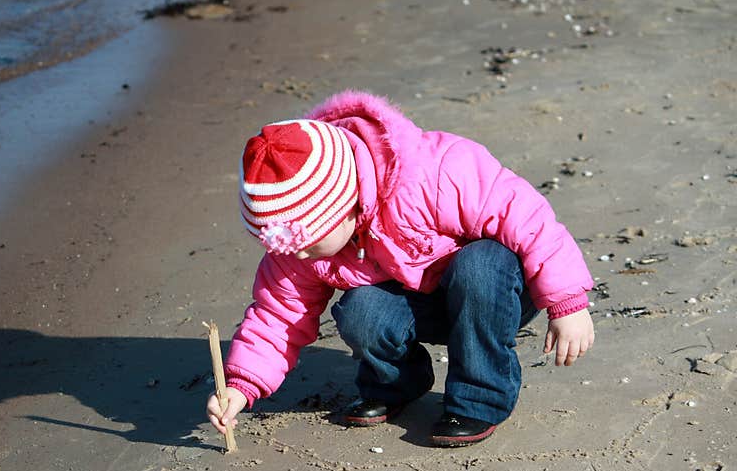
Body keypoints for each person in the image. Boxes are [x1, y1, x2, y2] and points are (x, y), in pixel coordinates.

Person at [206, 90, 594, 447]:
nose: (300, 256)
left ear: (345, 207)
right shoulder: (301, 249)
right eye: (286, 247)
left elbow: (528, 219)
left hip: (495, 293)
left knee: (480, 264)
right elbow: (277, 317)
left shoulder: (434, 173)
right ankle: (397, 384)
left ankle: (479, 398)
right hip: (421, 303)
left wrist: (567, 304)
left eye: (306, 243)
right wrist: (240, 387)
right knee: (361, 310)